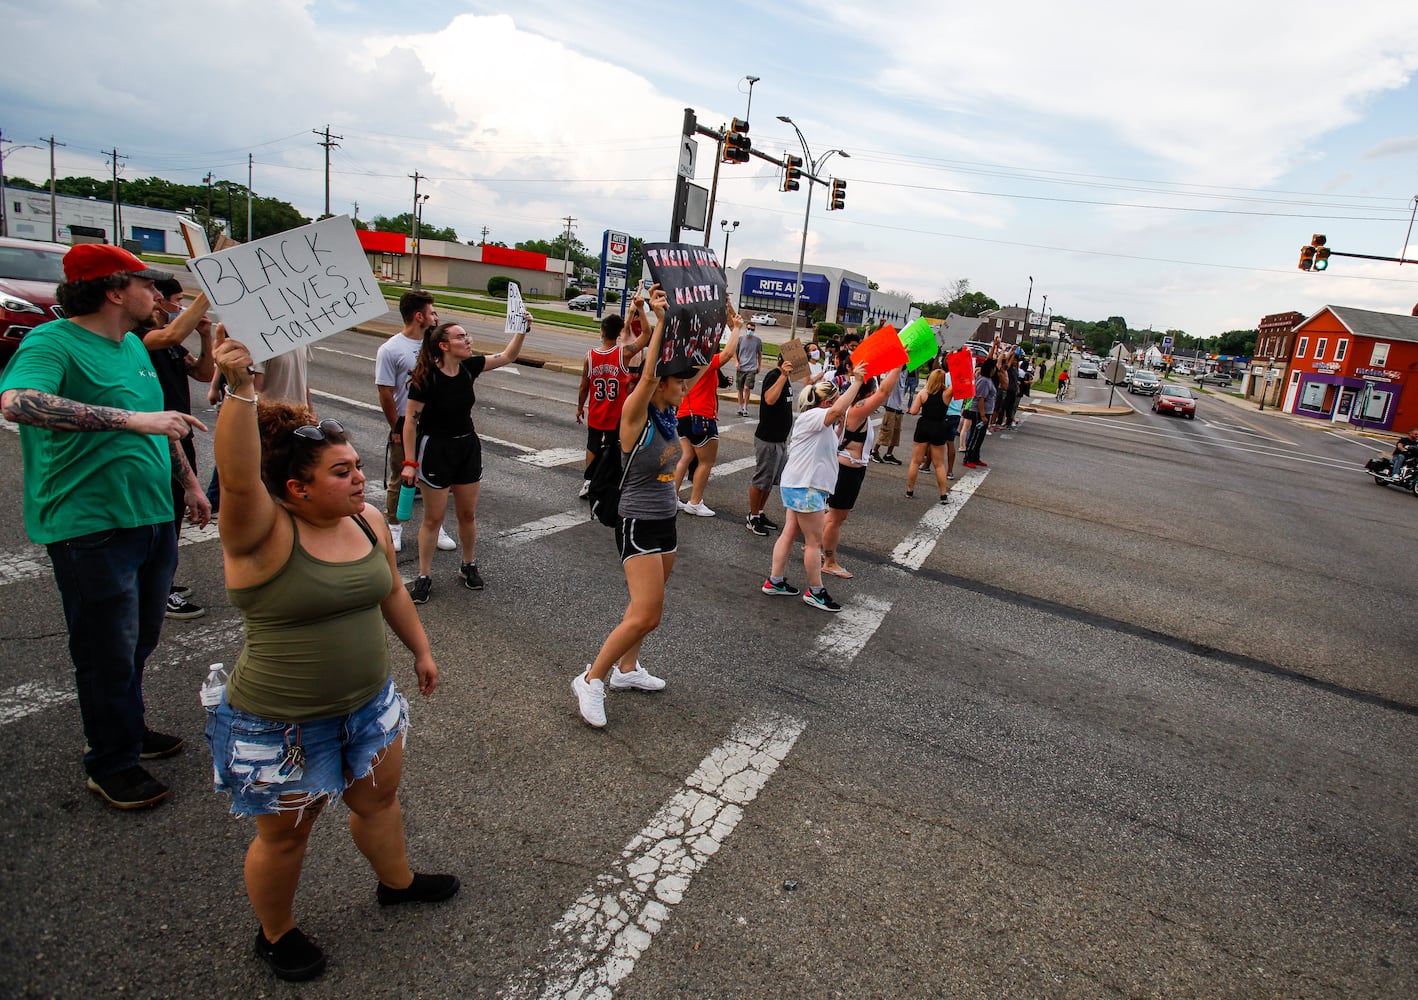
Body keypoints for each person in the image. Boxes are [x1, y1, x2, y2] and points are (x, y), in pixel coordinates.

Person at [208, 333, 455, 982]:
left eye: (355, 465)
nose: (358, 478)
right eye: (341, 471)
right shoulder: (260, 533)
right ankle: (276, 932)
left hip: (367, 707)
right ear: (295, 488)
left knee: (378, 802)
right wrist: (239, 387)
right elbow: (237, 480)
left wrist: (422, 650)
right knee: (286, 834)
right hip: (283, 723)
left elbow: (393, 591)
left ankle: (396, 883)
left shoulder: (367, 520)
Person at [0, 244, 207, 810]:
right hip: (90, 525)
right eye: (145, 284)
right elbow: (17, 402)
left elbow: (160, 428)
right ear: (115, 291)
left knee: (139, 639)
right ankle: (110, 762)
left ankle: (129, 730)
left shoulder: (135, 347)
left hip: (150, 515)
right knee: (104, 648)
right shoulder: (53, 341)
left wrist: (187, 483)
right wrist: (131, 419)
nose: (157, 295)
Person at [573, 286, 701, 728]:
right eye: (678, 380)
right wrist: (658, 320)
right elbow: (645, 378)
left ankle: (627, 671)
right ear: (661, 381)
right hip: (636, 520)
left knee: (645, 610)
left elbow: (704, 371)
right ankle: (591, 679)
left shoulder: (669, 416)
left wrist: (726, 331)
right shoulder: (637, 414)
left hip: (665, 519)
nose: (685, 387)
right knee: (647, 612)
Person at [400, 315, 529, 602]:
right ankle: (424, 575)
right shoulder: (425, 378)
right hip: (435, 450)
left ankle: (468, 564)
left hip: (467, 448)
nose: (467, 340)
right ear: (444, 346)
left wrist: (522, 329)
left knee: (467, 514)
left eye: (467, 335)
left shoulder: (470, 367)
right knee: (433, 519)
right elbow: (410, 423)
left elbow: (508, 355)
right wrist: (410, 463)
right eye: (460, 337)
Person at [761, 366, 866, 613]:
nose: (838, 406)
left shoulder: (820, 421)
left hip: (800, 485)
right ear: (827, 402)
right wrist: (857, 383)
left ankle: (775, 581)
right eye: (835, 400)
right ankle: (816, 591)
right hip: (805, 487)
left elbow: (835, 423)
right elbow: (838, 411)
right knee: (813, 542)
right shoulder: (813, 416)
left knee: (790, 532)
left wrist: (839, 420)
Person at [143, 277, 215, 620]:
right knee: (161, 514)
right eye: (174, 300)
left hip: (179, 437)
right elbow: (169, 334)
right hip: (154, 437)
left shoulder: (173, 346)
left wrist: (205, 336)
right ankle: (157, 589)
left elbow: (203, 373)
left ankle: (161, 582)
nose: (178, 307)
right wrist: (210, 290)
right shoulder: (140, 338)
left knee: (172, 514)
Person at [375, 290, 454, 554]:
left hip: (435, 427)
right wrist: (396, 427)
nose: (436, 316)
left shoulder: (435, 346)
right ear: (419, 316)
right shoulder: (390, 349)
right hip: (407, 426)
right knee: (401, 478)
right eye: (432, 312)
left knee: (436, 480)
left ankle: (437, 526)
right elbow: (385, 392)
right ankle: (394, 528)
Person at [822, 366, 901, 578]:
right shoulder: (857, 409)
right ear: (867, 394)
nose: (875, 396)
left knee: (836, 516)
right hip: (846, 470)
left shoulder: (855, 408)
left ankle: (815, 542)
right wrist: (899, 364)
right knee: (835, 518)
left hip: (851, 470)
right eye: (872, 392)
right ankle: (829, 561)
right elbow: (885, 392)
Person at [671, 302, 744, 517]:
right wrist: (737, 328)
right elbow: (729, 353)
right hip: (701, 416)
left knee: (685, 457)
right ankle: (695, 501)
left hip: (683, 414)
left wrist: (729, 311)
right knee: (706, 461)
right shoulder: (705, 361)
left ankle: (672, 497)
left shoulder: (684, 358)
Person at [577, 298, 653, 497]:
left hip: (596, 409)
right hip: (616, 412)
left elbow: (584, 386)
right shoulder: (623, 354)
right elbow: (646, 335)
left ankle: (589, 481)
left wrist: (579, 407)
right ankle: (614, 481)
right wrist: (641, 311)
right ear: (619, 332)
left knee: (592, 445)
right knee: (618, 447)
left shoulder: (590, 356)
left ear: (602, 331)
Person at [746, 353, 794, 536]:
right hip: (768, 439)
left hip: (780, 440)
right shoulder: (774, 376)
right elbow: (769, 399)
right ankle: (753, 516)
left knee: (770, 482)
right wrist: (783, 375)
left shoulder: (787, 379)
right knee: (761, 480)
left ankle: (760, 512)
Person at [905, 369, 955, 502]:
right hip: (939, 426)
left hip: (924, 425)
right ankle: (943, 494)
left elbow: (914, 411)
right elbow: (960, 384)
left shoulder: (923, 393)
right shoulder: (947, 393)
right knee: (939, 464)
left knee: (915, 460)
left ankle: (910, 490)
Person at [962, 358, 999, 469]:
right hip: (979, 412)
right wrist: (982, 415)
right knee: (975, 435)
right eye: (994, 368)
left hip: (986, 411)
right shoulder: (983, 380)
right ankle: (968, 457)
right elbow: (980, 398)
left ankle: (975, 457)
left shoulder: (988, 380)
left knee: (980, 436)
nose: (995, 370)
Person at [869, 371, 908, 466]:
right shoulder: (894, 370)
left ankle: (889, 454)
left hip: (898, 406)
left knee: (895, 432)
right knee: (886, 431)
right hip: (891, 405)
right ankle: (874, 451)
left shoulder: (905, 371)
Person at [735, 322, 763, 416]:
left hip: (751, 367)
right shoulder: (740, 339)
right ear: (746, 329)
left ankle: (745, 407)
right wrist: (736, 362)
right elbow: (735, 352)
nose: (750, 331)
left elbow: (759, 354)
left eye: (752, 329)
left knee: (747, 388)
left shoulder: (757, 341)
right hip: (741, 367)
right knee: (740, 389)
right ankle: (740, 407)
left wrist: (759, 366)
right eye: (749, 329)